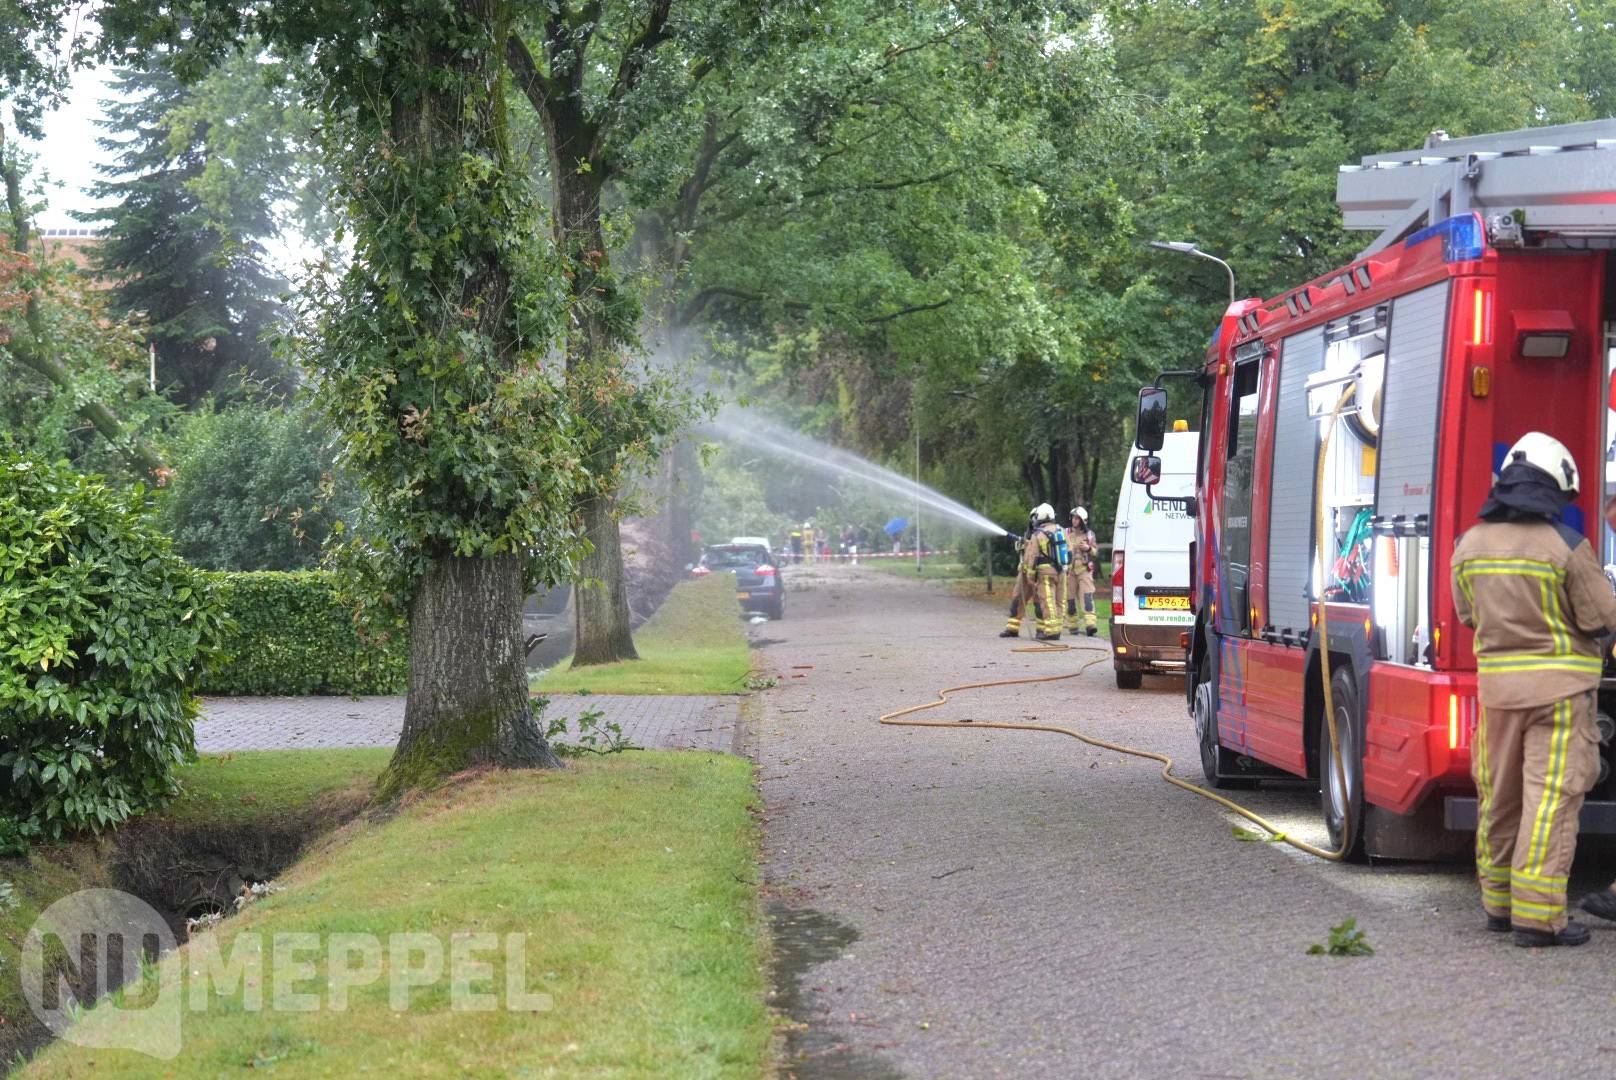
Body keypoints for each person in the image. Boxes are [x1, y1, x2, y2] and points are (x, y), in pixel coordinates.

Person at [1452, 432, 1616, 948]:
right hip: (1561, 699)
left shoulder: (1468, 544)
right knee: (1549, 803)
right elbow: (1599, 619)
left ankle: (1498, 906)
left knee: (1498, 799)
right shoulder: (1566, 547)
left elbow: (1466, 615)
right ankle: (1539, 919)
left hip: (1497, 695)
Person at [1001, 503, 1066, 641]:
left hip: (1038, 573)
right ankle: (1012, 628)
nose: (1033, 521)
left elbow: (1034, 554)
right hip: (1025, 573)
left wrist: (1032, 575)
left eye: (1035, 518)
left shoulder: (1039, 533)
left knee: (1040, 602)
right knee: (1017, 598)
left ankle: (1041, 630)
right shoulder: (1031, 532)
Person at [1065, 506, 1100, 636]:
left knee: (1087, 597)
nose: (1074, 520)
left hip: (1085, 570)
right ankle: (1073, 626)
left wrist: (1088, 548)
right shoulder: (1066, 532)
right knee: (1070, 599)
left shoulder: (1090, 535)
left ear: (1083, 520)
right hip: (1069, 571)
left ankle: (1091, 625)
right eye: (1073, 517)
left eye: (1077, 518)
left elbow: (1096, 552)